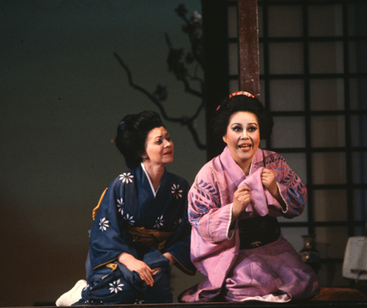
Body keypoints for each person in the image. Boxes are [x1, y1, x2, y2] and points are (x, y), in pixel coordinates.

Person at [179, 91, 320, 303]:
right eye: (237, 129)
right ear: (225, 136)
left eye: (252, 129)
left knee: (303, 282)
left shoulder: (274, 162)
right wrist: (233, 210)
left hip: (274, 247)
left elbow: (299, 201)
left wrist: (275, 189)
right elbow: (198, 220)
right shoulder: (209, 174)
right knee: (247, 290)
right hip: (235, 252)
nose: (245, 136)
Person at [59, 110, 195, 305]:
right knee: (123, 290)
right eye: (159, 141)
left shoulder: (179, 186)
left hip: (153, 257)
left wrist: (164, 260)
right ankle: (81, 294)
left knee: (159, 294)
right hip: (116, 256)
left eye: (168, 138)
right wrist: (131, 261)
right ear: (141, 152)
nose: (168, 144)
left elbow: (187, 233)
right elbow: (103, 231)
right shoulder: (122, 184)